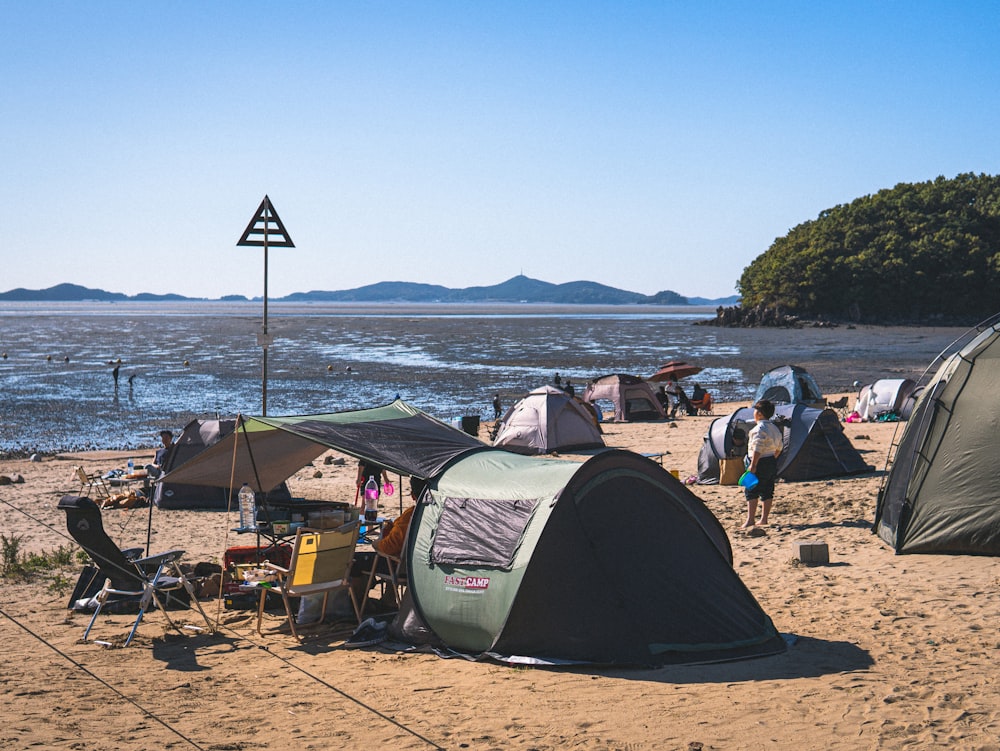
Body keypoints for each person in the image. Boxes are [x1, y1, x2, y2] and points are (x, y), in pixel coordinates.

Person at [742, 399, 783, 529]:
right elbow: (780, 447)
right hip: (770, 460)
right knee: (767, 490)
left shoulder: (759, 428)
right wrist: (773, 458)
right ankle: (764, 518)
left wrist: (753, 465)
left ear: (759, 413)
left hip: (759, 461)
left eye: (755, 411)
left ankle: (750, 519)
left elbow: (757, 448)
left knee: (751, 490)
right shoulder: (774, 428)